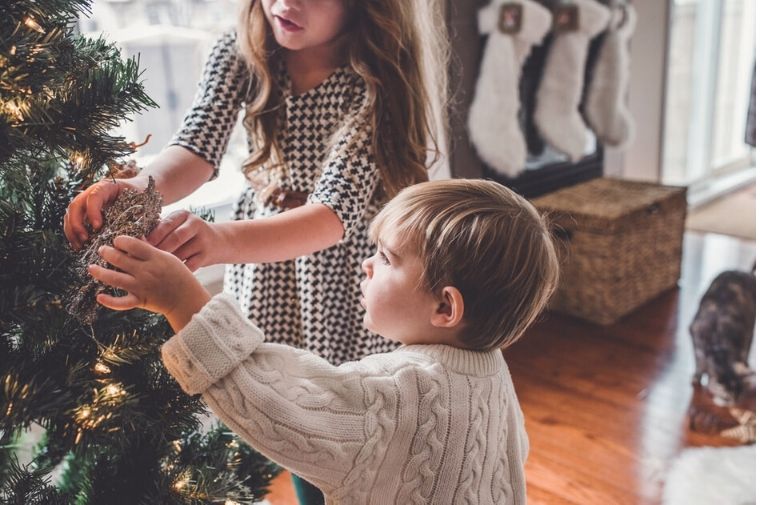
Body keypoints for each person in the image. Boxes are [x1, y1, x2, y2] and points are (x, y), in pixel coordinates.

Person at [64, 1, 447, 501]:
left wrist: (222, 240)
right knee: (267, 406)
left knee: (331, 425)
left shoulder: (375, 79)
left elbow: (332, 215)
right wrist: (140, 187)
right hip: (265, 274)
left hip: (340, 278)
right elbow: (197, 148)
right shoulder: (243, 49)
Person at [87, 178, 560, 504]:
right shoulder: (490, 370)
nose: (366, 265)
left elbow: (269, 401)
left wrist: (183, 303)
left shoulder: (399, 391)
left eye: (387, 258)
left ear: (445, 308)